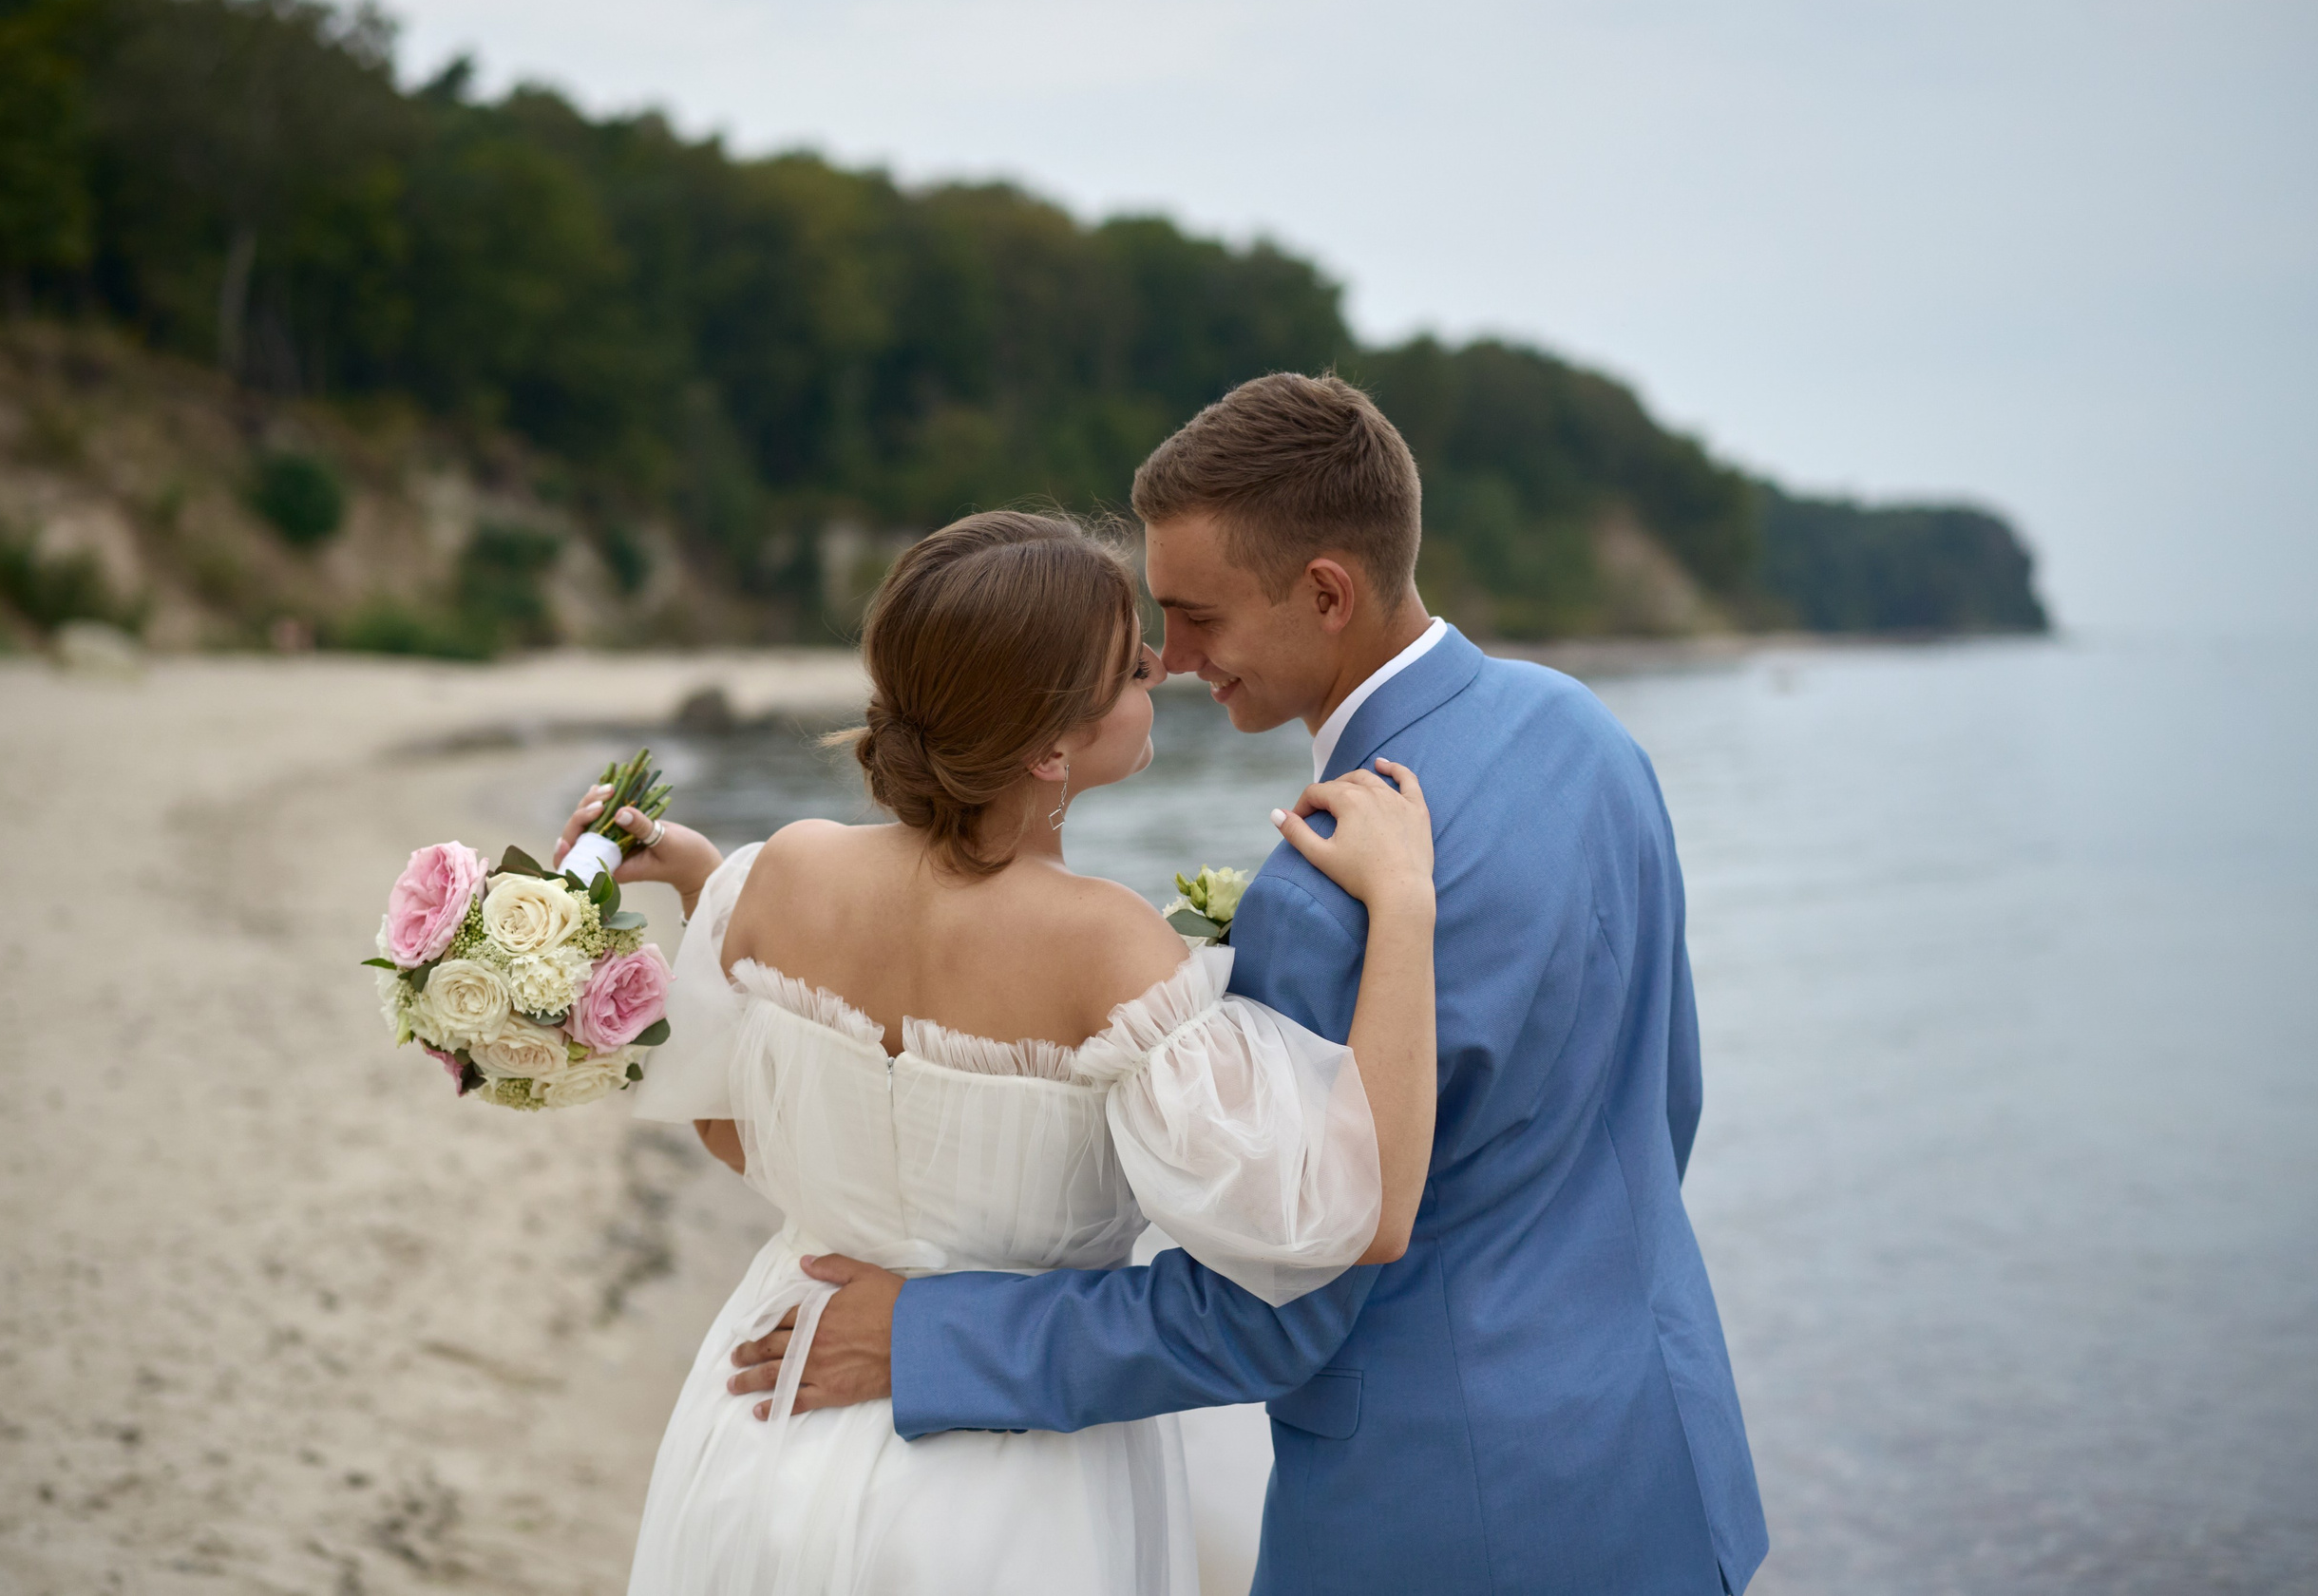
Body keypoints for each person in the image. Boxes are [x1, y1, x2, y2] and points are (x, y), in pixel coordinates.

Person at [739, 374, 1769, 1594]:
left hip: (1438, 1517)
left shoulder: (1324, 900)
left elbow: (1269, 1313)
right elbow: (1663, 1098)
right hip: (1662, 1452)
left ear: (1326, 592)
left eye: (1196, 617)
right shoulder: (1580, 732)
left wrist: (930, 1334)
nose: (1172, 660)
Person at [554, 508, 1440, 1593]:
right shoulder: (1105, 944)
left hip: (761, 1420)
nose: (1163, 667)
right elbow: (1358, 1214)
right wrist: (1404, 906)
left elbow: (735, 1131)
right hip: (1005, 1482)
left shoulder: (781, 873)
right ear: (1049, 749)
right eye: (1131, 667)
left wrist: (704, 880)